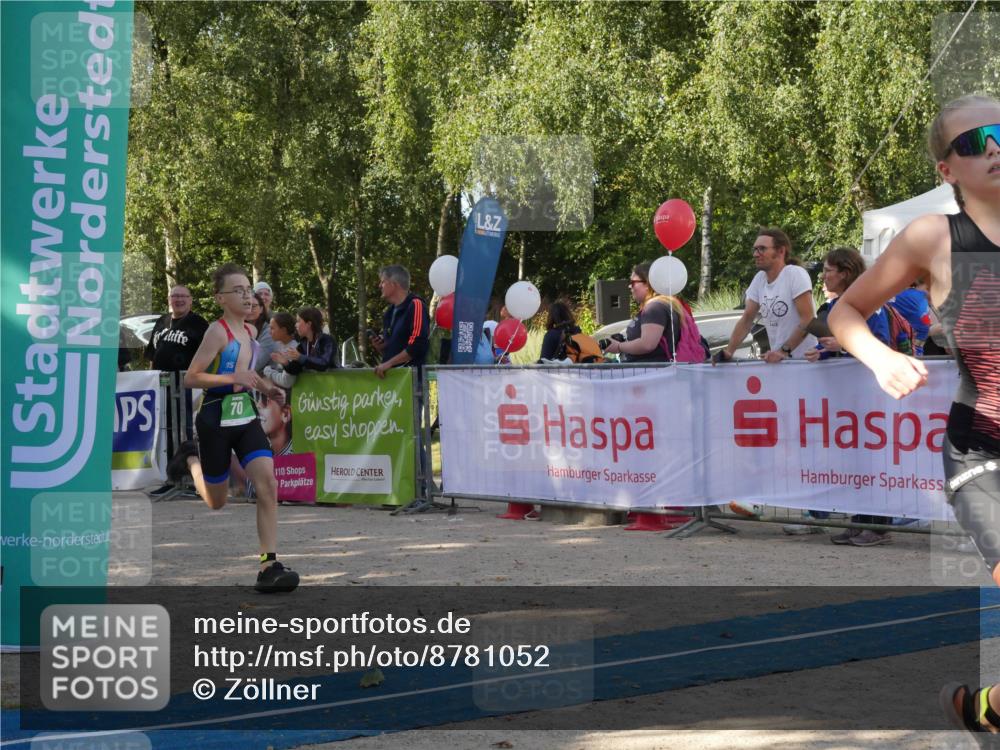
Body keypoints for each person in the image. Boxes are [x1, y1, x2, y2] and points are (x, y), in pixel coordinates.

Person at [827, 94, 1000, 738]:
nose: (993, 145)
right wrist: (878, 358)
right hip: (983, 451)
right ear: (946, 169)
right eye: (973, 140)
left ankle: (982, 709)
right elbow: (844, 311)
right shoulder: (934, 238)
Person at [168, 263, 300, 593]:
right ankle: (190, 459)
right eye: (238, 291)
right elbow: (191, 378)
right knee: (217, 502)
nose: (246, 296)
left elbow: (247, 375)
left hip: (244, 416)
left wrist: (268, 390)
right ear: (220, 298)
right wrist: (233, 378)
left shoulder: (252, 333)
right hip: (214, 417)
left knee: (268, 483)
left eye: (248, 290)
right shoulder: (217, 332)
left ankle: (268, 565)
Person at [804, 247, 893, 546]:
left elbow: (879, 342)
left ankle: (878, 525)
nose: (824, 276)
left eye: (829, 270)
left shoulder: (868, 301)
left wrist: (840, 345)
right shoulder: (836, 305)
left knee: (874, 460)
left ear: (844, 272)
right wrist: (822, 352)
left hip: (870, 394)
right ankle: (859, 519)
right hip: (847, 400)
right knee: (854, 460)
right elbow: (837, 346)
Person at [714, 228, 817, 363]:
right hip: (781, 362)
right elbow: (747, 319)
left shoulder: (795, 274)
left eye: (762, 249)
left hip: (805, 361)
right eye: (755, 249)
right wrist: (728, 351)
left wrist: (783, 351)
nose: (756, 254)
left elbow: (808, 320)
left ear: (781, 251)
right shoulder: (759, 279)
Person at [144, 285, 209, 496]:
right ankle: (172, 477)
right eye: (174, 296)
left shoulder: (199, 324)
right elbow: (152, 356)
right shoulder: (162, 321)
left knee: (186, 432)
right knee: (167, 432)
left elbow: (209, 354)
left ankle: (191, 479)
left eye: (183, 296)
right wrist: (150, 381)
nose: (178, 299)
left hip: (188, 387)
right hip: (162, 387)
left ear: (191, 300)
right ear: (168, 298)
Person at [602, 262, 683, 362]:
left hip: (650, 373)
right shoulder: (661, 305)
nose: (629, 287)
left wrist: (619, 346)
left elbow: (647, 344)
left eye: (633, 283)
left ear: (647, 284)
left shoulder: (655, 308)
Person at [369, 265, 430, 379]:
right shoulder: (389, 312)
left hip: (413, 383)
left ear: (394, 284)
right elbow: (393, 353)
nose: (379, 286)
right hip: (393, 383)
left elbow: (417, 345)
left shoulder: (416, 305)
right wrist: (382, 348)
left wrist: (389, 363)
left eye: (383, 282)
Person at [275, 307, 337, 376]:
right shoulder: (303, 344)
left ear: (309, 324)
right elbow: (296, 370)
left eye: (298, 321)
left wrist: (301, 357)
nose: (295, 325)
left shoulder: (327, 340)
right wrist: (285, 362)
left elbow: (324, 363)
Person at [263, 312, 301, 389]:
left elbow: (287, 382)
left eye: (272, 328)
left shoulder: (293, 350)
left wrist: (267, 371)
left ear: (283, 330)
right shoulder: (277, 345)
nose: (269, 332)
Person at [248, 292, 277, 373]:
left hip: (266, 378)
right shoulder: (239, 328)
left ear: (261, 309)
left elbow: (257, 364)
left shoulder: (269, 331)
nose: (249, 309)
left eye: (253, 306)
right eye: (246, 305)